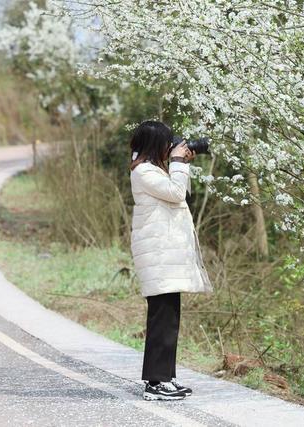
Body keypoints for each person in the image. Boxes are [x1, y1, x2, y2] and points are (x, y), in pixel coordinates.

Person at [128, 120, 214, 401]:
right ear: (156, 145)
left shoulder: (153, 170)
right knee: (162, 319)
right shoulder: (143, 172)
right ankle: (155, 383)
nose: (171, 147)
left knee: (169, 318)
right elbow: (177, 193)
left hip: (165, 256)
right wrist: (178, 162)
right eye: (168, 143)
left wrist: (180, 163)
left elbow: (180, 194)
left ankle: (165, 376)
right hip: (159, 256)